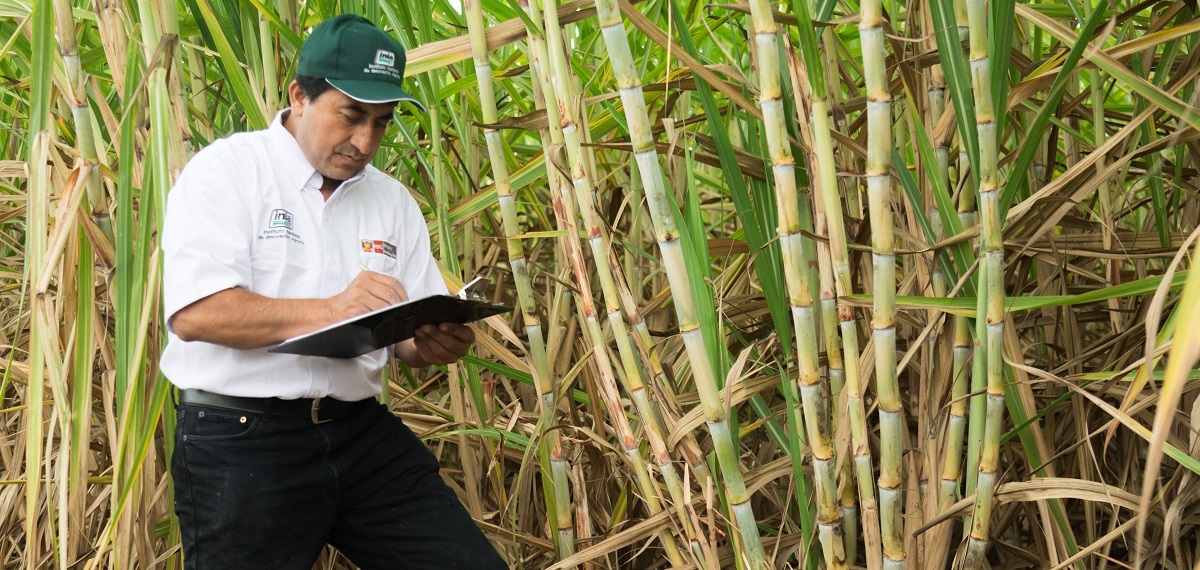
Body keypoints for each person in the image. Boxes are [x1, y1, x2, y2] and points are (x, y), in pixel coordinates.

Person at [160, 14, 508, 569]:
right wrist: (333, 308)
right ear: (299, 96)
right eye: (351, 116)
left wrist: (433, 343)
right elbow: (197, 315)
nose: (365, 142)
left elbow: (404, 341)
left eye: (381, 123)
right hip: (241, 439)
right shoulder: (228, 172)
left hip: (360, 431)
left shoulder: (391, 201)